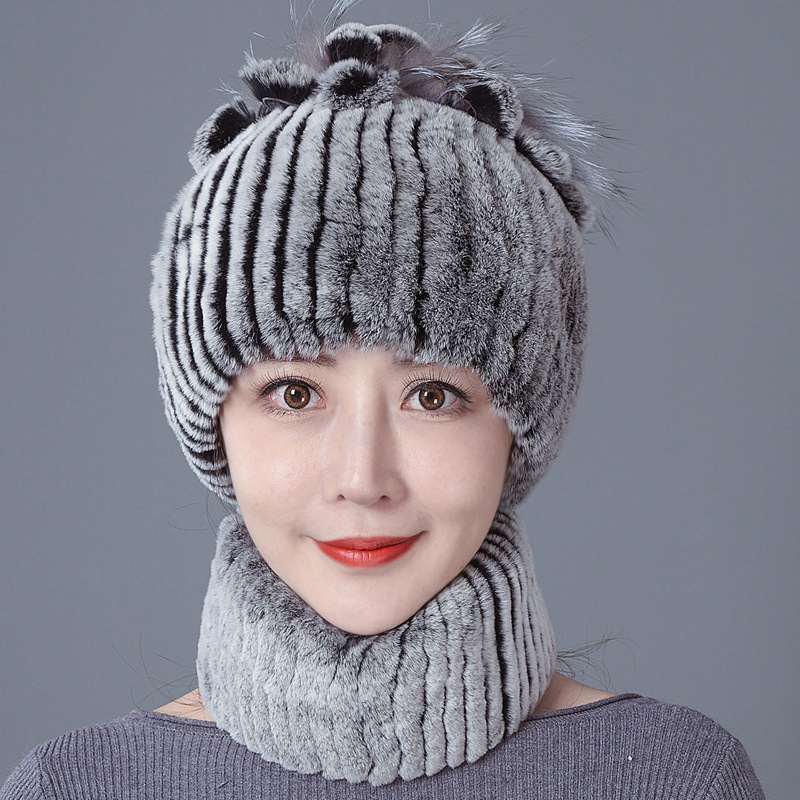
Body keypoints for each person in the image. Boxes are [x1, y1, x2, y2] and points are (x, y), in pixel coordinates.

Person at [0, 9, 765, 799]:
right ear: (212, 422)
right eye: (295, 393)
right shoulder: (74, 788)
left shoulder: (677, 778)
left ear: (522, 423)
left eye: (431, 395)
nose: (362, 480)